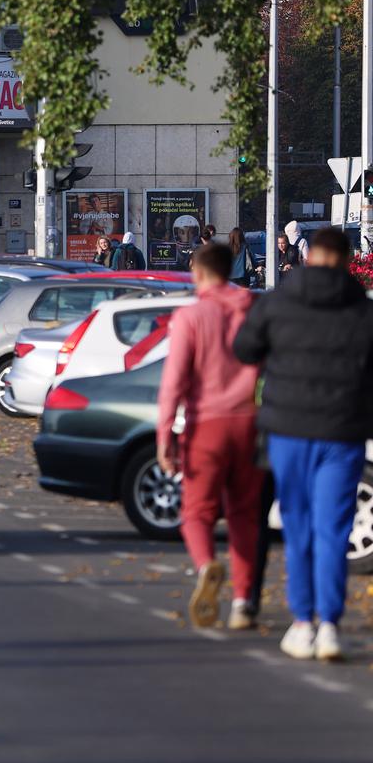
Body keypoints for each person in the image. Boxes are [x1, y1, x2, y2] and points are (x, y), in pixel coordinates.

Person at [233, 226, 373, 661]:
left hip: (289, 430)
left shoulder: (279, 302)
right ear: (348, 258)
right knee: (333, 529)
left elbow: (244, 349)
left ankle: (302, 623)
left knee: (298, 528)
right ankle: (329, 625)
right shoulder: (364, 312)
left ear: (309, 255)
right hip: (342, 432)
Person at [157, 244, 262, 630]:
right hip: (251, 422)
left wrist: (165, 434)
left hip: (207, 425)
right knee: (245, 515)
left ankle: (206, 565)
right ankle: (242, 602)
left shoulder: (191, 316)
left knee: (196, 512)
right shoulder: (253, 309)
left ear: (197, 272)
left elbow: (173, 382)